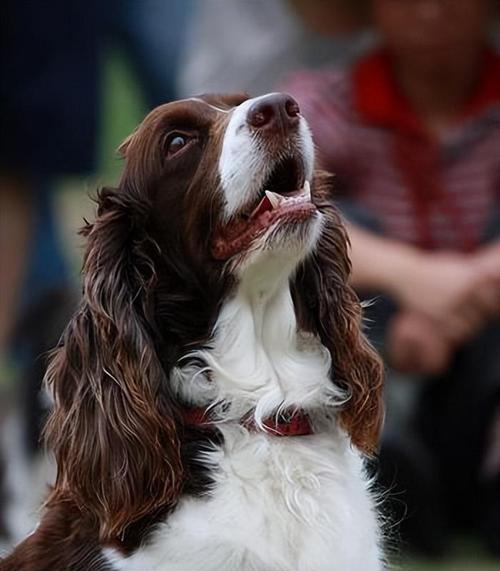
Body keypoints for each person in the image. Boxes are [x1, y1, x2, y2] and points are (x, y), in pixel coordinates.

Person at [284, 0, 500, 557]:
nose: (432, 12)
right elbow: (275, 214)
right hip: (375, 342)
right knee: (327, 246)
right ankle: (377, 454)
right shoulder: (325, 106)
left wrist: (462, 294)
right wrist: (413, 280)